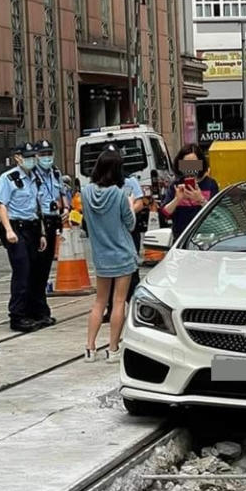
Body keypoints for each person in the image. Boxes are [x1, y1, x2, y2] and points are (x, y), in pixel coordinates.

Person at [82, 145, 139, 363]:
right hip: (122, 255)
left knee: (99, 302)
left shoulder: (86, 194)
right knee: (118, 302)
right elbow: (130, 224)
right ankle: (113, 348)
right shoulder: (119, 194)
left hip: (101, 256)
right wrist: (130, 204)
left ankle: (89, 347)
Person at [0, 143, 49, 332]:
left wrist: (41, 233)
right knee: (22, 272)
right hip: (17, 228)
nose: (32, 159)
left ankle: (33, 312)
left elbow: (37, 206)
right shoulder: (8, 178)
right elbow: (1, 205)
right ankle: (17, 316)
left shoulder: (35, 178)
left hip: (33, 227)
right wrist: (9, 230)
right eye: (28, 156)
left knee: (34, 271)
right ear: (18, 157)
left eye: (33, 156)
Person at [28, 139, 68, 326]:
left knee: (45, 269)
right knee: (36, 267)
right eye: (42, 155)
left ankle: (40, 309)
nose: (47, 158)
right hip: (40, 221)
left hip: (53, 220)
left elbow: (62, 193)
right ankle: (36, 309)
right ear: (35, 157)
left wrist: (65, 207)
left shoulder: (55, 173)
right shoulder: (32, 175)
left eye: (49, 154)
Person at [103, 170, 146, 323]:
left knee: (131, 270)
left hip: (128, 230)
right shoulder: (101, 184)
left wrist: (126, 213)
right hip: (110, 232)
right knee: (109, 272)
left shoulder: (130, 181)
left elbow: (140, 203)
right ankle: (111, 308)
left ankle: (137, 307)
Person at [160, 144, 220, 239]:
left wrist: (201, 199)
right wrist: (177, 200)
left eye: (194, 163)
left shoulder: (210, 184)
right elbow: (165, 213)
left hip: (207, 238)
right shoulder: (175, 186)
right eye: (186, 163)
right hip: (181, 240)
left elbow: (218, 214)